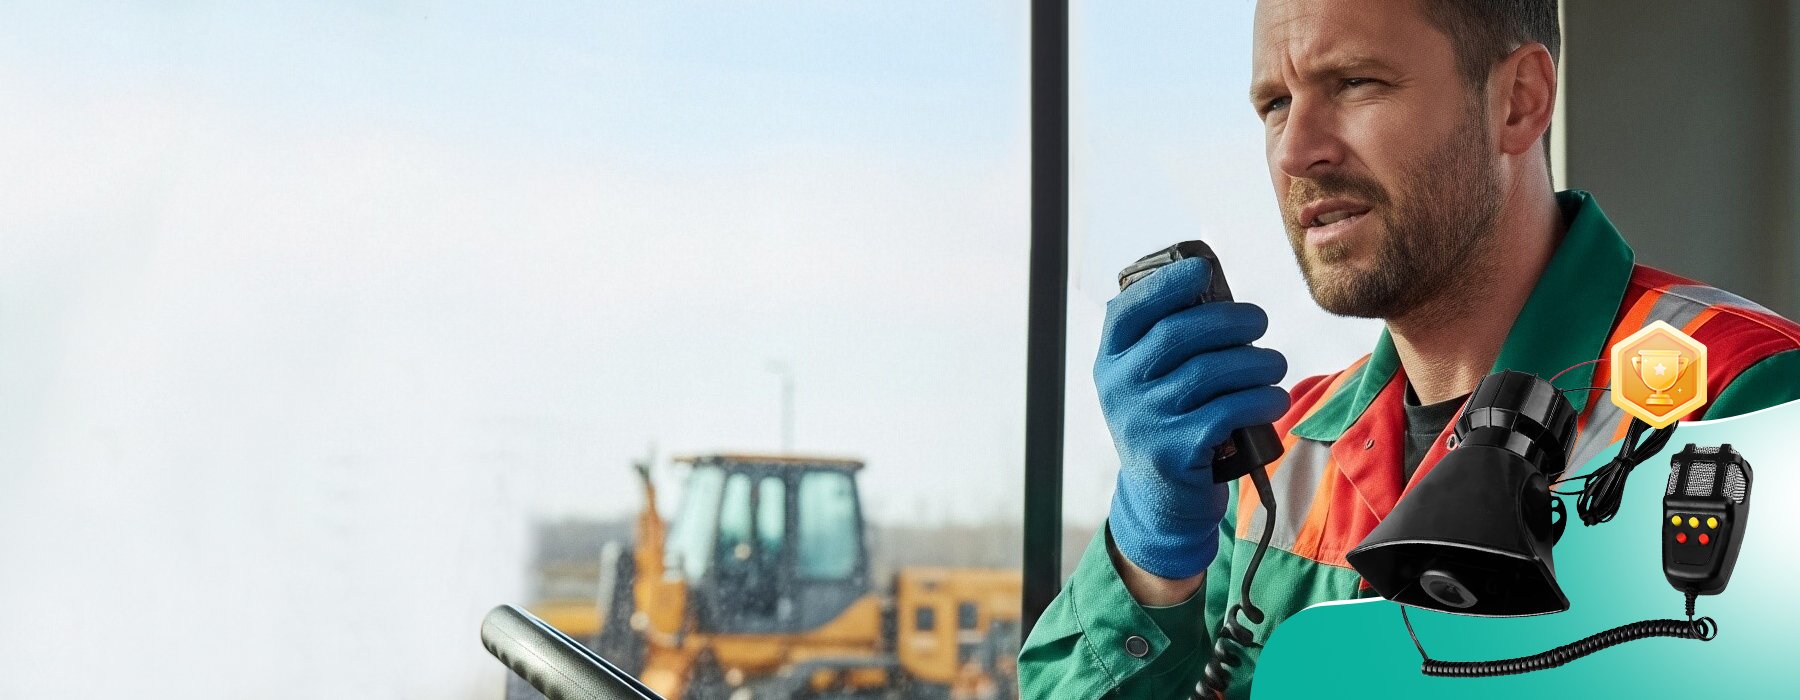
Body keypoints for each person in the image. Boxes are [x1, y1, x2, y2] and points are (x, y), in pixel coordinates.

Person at [1018, 0, 1800, 697]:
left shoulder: (1744, 397)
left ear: (1519, 102)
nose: (1296, 150)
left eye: (1356, 83)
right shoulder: (1277, 467)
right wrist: (1151, 562)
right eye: (1276, 103)